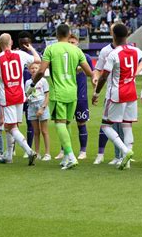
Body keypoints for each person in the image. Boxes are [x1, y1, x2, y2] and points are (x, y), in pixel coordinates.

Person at [32, 24, 93, 170]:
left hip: (58, 92)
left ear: (56, 34)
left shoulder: (51, 49)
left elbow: (41, 71)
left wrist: (32, 84)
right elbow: (89, 72)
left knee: (59, 123)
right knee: (67, 124)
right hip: (73, 92)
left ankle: (71, 156)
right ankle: (66, 157)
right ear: (69, 33)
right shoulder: (76, 50)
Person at [92, 24, 142, 170]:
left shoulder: (114, 54)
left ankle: (125, 151)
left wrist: (96, 93)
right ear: (127, 35)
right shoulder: (136, 50)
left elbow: (103, 76)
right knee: (127, 126)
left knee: (106, 125)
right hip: (131, 92)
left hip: (116, 93)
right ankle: (126, 163)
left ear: (113, 35)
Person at [0, 33, 40, 165]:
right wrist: (30, 48)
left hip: (7, 97)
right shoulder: (21, 55)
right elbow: (37, 59)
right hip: (20, 95)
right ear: (11, 42)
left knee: (10, 127)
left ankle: (29, 151)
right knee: (11, 126)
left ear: (0, 44)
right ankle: (8, 156)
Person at [91, 23, 125, 165]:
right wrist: (95, 77)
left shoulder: (128, 50)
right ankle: (102, 154)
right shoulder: (106, 51)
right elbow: (98, 70)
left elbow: (141, 61)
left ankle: (121, 155)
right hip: (111, 92)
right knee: (107, 124)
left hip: (122, 92)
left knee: (122, 125)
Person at [69, 34, 93, 160]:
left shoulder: (86, 57)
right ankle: (64, 150)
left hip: (80, 95)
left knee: (81, 123)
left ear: (78, 43)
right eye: (69, 42)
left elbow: (92, 75)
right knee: (65, 123)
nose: (71, 44)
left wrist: (95, 91)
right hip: (67, 94)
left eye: (73, 42)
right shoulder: (65, 58)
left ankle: (83, 151)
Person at [25, 62, 50, 161]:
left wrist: (42, 107)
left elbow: (47, 95)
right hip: (31, 105)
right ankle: (37, 152)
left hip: (41, 105)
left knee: (44, 131)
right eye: (32, 68)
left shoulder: (43, 81)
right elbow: (27, 94)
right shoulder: (27, 82)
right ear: (29, 70)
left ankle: (47, 153)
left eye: (36, 68)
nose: (34, 70)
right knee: (36, 131)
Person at [18, 31, 36, 157]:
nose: (25, 45)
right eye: (22, 42)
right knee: (14, 123)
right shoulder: (15, 55)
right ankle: (12, 148)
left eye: (27, 42)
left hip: (31, 95)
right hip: (17, 93)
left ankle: (28, 149)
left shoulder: (35, 57)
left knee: (30, 123)